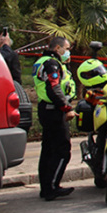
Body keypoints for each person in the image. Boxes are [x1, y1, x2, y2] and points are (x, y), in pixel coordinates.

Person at [33, 36, 77, 201]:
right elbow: (53, 88)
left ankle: (46, 188)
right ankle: (52, 186)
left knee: (48, 150)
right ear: (57, 48)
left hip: (46, 109)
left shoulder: (42, 61)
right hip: (54, 111)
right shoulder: (52, 63)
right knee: (62, 150)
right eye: (66, 48)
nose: (67, 52)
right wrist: (67, 108)